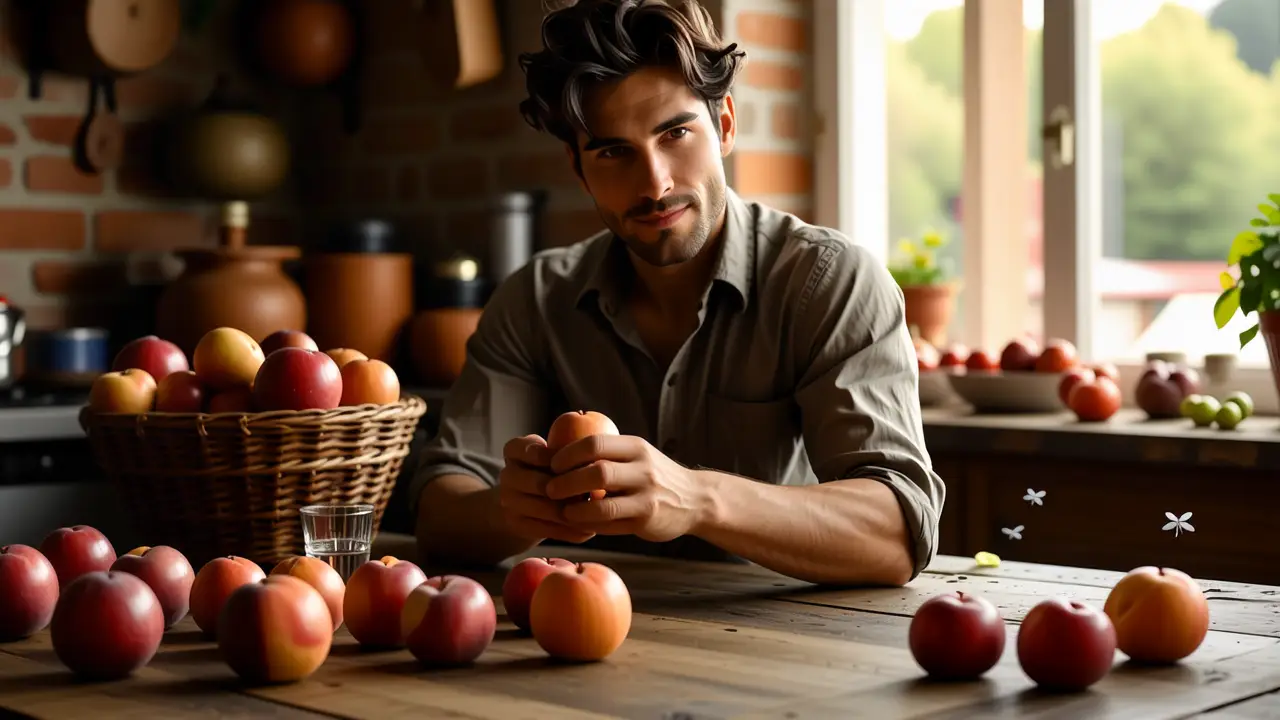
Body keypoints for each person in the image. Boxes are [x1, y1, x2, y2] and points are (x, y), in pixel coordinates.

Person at [409, 0, 944, 586]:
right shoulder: (535, 298)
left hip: (787, 645)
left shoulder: (831, 282)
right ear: (577, 167)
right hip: (566, 638)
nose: (655, 183)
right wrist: (512, 513)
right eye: (614, 152)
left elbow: (899, 533)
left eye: (676, 132)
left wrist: (695, 498)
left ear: (727, 126)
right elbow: (438, 510)